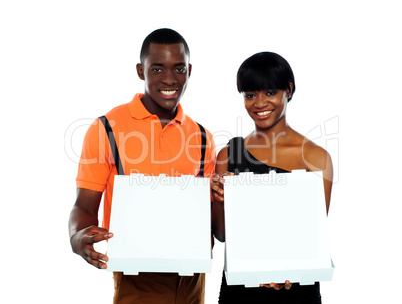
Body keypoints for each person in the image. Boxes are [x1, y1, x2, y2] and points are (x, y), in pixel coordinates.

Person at [69, 28, 216, 304]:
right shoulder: (107, 128)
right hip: (137, 281)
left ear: (190, 71)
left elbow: (208, 215)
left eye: (179, 68)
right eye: (157, 69)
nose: (170, 79)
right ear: (140, 70)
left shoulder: (203, 137)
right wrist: (77, 236)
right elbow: (84, 206)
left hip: (193, 281)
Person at [211, 52, 333, 304]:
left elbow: (312, 238)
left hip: (295, 288)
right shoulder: (228, 154)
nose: (259, 103)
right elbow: (222, 235)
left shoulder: (314, 157)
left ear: (288, 90)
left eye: (269, 92)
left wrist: (286, 270)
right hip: (241, 289)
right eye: (250, 95)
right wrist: (219, 199)